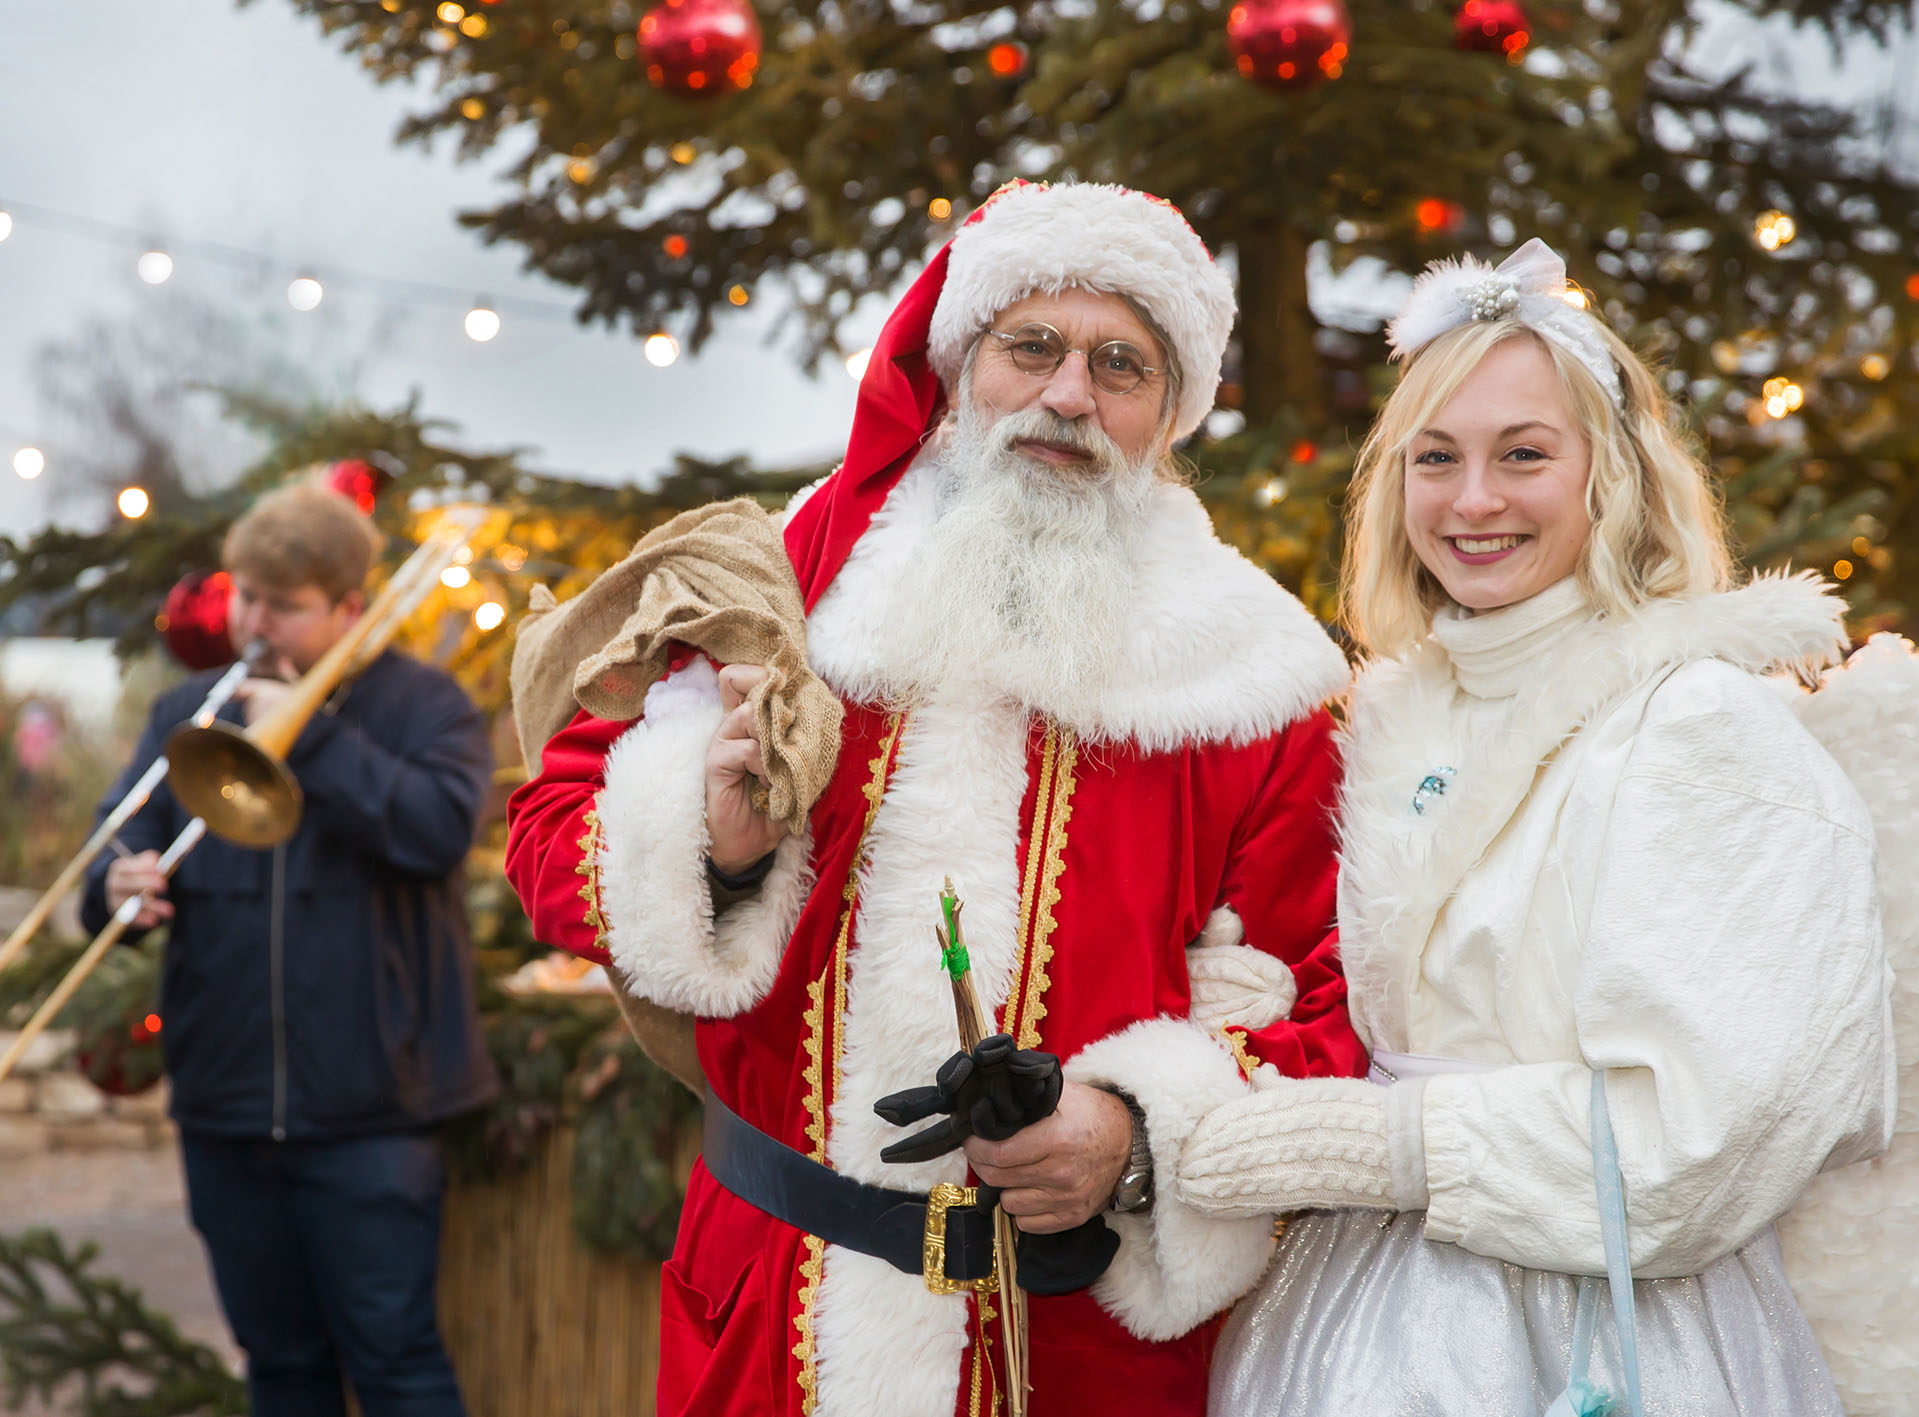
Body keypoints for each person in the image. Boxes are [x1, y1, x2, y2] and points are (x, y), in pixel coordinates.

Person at [505, 179, 1367, 1417]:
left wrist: (1131, 1133)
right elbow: (547, 833)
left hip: (1079, 1355)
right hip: (767, 1319)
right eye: (1032, 347)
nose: (1068, 395)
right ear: (963, 364)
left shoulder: (1261, 682)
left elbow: (1333, 1010)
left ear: (1168, 413)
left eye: (1120, 365)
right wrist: (711, 840)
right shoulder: (801, 578)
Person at [1170, 241, 1896, 1416]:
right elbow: (1424, 1009)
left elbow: (1709, 1136)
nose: (1471, 502)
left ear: (1609, 477)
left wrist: (1392, 1145)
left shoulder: (1701, 730)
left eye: (1522, 455)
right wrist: (1273, 1025)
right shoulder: (1394, 720)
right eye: (1435, 458)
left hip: (1605, 1341)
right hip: (1337, 1322)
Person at [81, 481, 497, 1417]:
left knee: (397, 1362)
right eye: (245, 596)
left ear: (349, 607)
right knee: (279, 1367)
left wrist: (307, 733)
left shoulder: (425, 704)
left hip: (374, 1111)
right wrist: (114, 876)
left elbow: (435, 831)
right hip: (226, 1105)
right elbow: (119, 826)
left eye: (284, 605)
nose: (255, 623)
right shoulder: (192, 707)